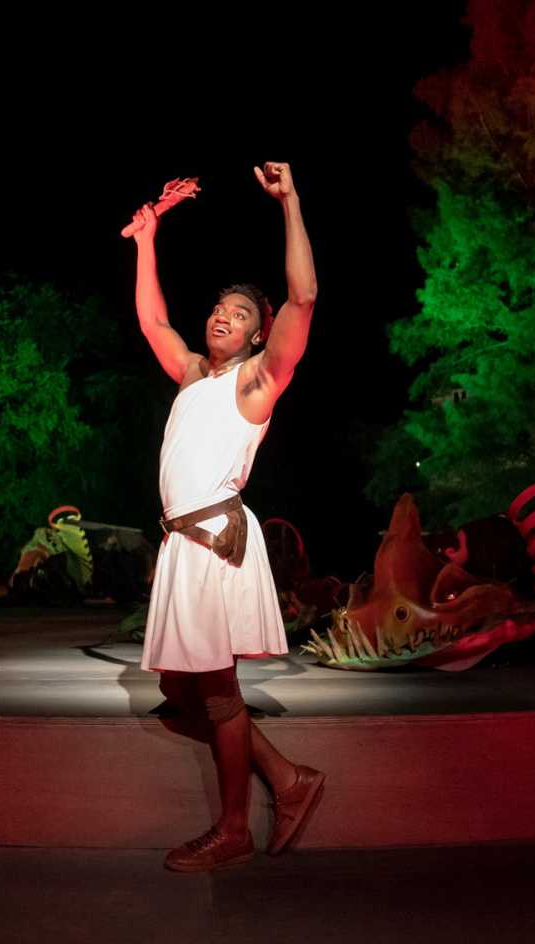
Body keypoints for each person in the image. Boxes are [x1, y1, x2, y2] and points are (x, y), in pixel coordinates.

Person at [129, 162, 324, 872]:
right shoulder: (191, 374)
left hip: (215, 544)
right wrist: (148, 238)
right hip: (184, 545)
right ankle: (289, 778)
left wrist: (291, 203)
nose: (223, 317)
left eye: (241, 315)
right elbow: (154, 319)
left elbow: (302, 293)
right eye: (220, 307)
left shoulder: (255, 381)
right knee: (180, 686)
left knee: (215, 692)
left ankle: (235, 828)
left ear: (254, 338)